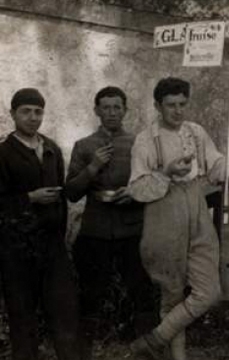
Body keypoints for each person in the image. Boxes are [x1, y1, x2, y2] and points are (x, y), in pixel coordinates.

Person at [128, 77, 229, 360]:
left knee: (209, 291)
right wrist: (166, 173)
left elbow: (216, 162)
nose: (178, 110)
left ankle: (153, 341)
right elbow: (136, 188)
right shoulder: (146, 140)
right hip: (163, 213)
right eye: (171, 105)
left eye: (183, 104)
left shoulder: (196, 132)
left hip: (196, 210)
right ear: (157, 106)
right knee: (171, 295)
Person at [65, 86, 155, 357]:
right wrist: (93, 166)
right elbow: (71, 193)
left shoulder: (139, 142)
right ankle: (81, 353)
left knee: (143, 293)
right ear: (96, 111)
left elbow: (151, 185)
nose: (112, 112)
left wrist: (133, 196)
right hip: (96, 231)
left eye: (117, 107)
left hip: (132, 231)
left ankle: (148, 351)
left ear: (125, 110)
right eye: (106, 107)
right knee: (90, 295)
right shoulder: (84, 145)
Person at [0, 88, 81, 360]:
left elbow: (60, 199)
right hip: (16, 249)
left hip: (52, 246)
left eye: (38, 111)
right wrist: (28, 198)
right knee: (23, 319)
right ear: (13, 114)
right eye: (26, 111)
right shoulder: (3, 152)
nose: (33, 117)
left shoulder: (52, 149)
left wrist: (59, 238)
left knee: (64, 313)